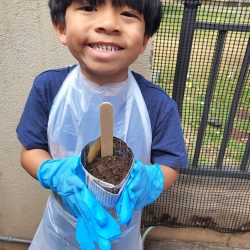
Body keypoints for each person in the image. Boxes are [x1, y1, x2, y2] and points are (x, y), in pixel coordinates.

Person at [16, 0, 188, 249]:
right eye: (88, 8)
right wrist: (53, 173)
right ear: (61, 27)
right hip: (60, 228)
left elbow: (170, 164)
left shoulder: (158, 105)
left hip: (122, 230)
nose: (108, 24)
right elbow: (30, 150)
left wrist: (150, 181)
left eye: (128, 13)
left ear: (144, 40)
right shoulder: (48, 88)